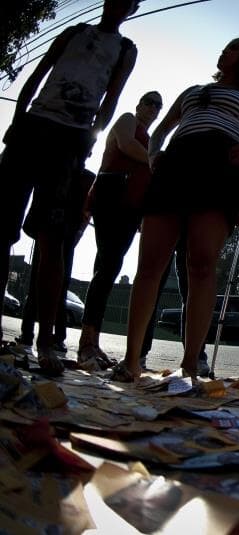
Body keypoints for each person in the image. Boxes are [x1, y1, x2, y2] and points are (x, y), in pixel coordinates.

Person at [110, 37, 239, 382]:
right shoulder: (192, 91)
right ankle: (131, 361)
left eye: (233, 48)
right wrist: (155, 155)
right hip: (177, 162)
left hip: (221, 164)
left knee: (201, 262)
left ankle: (189, 366)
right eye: (226, 46)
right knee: (150, 263)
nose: (224, 51)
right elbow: (161, 131)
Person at [0, 0, 139, 374]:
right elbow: (40, 73)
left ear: (132, 8)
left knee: (52, 237)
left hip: (70, 140)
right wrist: (18, 118)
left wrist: (89, 138)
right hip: (33, 128)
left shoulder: (125, 49)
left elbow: (112, 98)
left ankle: (46, 342)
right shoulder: (75, 32)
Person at [77, 91, 166, 372]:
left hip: (132, 206)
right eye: (149, 101)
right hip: (112, 195)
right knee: (108, 264)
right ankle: (87, 341)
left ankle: (92, 338)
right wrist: (156, 160)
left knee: (109, 266)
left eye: (157, 105)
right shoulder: (128, 121)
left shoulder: (151, 141)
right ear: (139, 105)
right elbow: (127, 145)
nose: (152, 107)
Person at [16, 168, 95, 355]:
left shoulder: (82, 177)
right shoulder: (70, 174)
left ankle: (48, 336)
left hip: (63, 227)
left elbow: (85, 213)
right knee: (49, 277)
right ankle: (40, 335)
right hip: (57, 224)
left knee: (51, 277)